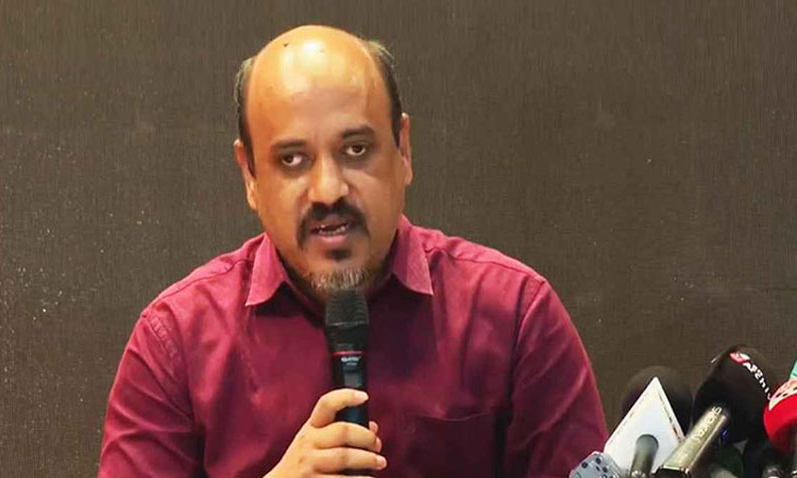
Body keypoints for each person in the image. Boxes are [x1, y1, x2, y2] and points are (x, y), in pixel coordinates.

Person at [98, 25, 608, 478]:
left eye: (356, 150)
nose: (328, 190)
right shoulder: (176, 342)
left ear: (403, 149)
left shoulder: (515, 317)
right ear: (250, 175)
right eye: (292, 159)